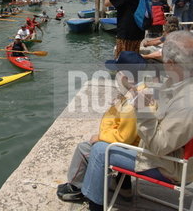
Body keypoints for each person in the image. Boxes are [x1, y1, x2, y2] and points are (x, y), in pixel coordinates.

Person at [79, 31, 193, 210]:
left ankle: (94, 206)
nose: (163, 66)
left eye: (164, 62)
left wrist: (140, 107)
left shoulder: (192, 105)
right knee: (126, 133)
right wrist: (138, 93)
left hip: (172, 166)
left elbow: (158, 146)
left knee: (100, 150)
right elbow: (168, 101)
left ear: (172, 63)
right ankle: (121, 188)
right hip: (182, 154)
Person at [57, 61, 146, 203]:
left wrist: (101, 136)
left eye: (118, 72)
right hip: (138, 145)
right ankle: (124, 186)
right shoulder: (140, 92)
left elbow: (124, 138)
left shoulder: (133, 104)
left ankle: (77, 188)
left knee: (84, 149)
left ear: (125, 77)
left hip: (134, 150)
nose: (116, 76)